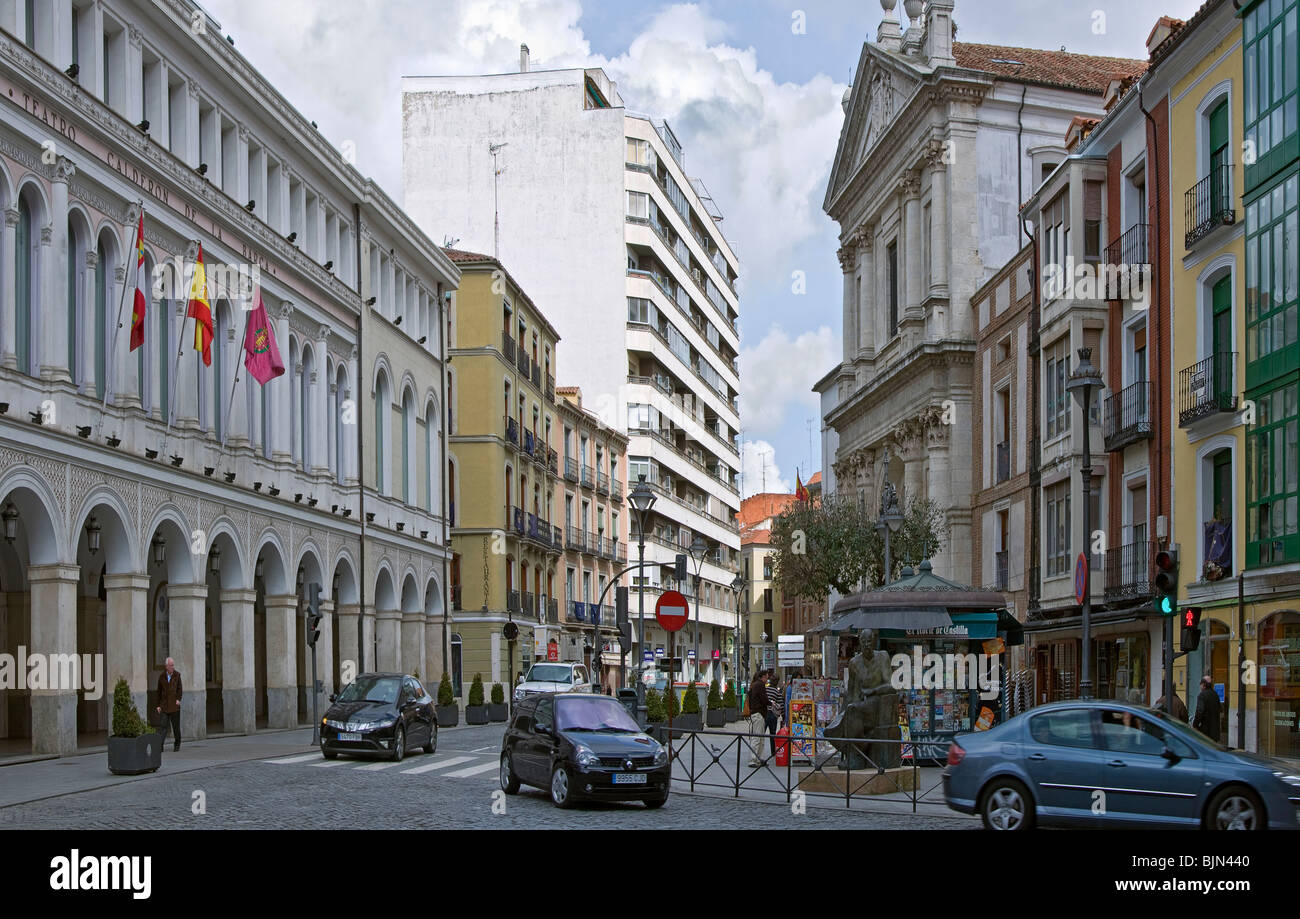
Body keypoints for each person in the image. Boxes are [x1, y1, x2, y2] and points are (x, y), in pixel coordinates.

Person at [155, 657, 183, 752]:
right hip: (165, 705)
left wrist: (178, 699)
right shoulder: (161, 677)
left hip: (174, 705)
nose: (172, 667)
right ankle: (160, 745)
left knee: (176, 727)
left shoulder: (177, 675)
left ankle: (177, 744)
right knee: (163, 727)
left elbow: (180, 689)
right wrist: (158, 705)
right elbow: (158, 692)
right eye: (171, 665)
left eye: (173, 665)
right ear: (166, 666)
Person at [1193, 675, 1222, 741]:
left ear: (1203, 685)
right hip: (1215, 731)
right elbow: (1220, 709)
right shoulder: (1215, 695)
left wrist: (1195, 724)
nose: (1200, 686)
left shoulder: (1202, 695)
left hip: (1205, 731)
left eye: (1200, 684)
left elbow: (1200, 711)